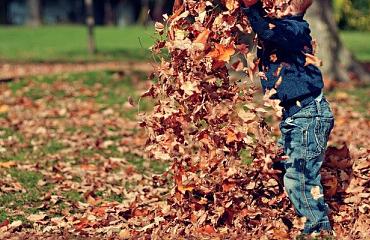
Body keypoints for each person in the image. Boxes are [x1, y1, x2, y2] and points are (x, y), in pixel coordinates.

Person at [240, 0, 336, 237]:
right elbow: (264, 26)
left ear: (293, 8)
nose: (273, 7)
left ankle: (318, 227)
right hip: (296, 116)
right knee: (278, 162)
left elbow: (267, 31)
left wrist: (251, 7)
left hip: (308, 116)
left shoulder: (295, 29)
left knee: (300, 176)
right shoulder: (281, 27)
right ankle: (286, 208)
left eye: (279, 4)